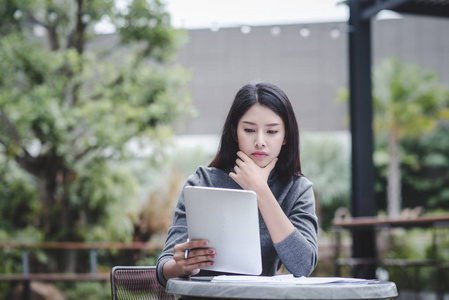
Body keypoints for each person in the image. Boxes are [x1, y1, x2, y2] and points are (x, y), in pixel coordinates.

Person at [156, 81, 318, 287]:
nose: (260, 141)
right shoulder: (202, 182)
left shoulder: (297, 189)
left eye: (272, 131)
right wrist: (183, 265)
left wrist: (260, 190)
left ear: (285, 136)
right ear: (234, 132)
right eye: (249, 130)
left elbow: (303, 266)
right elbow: (163, 271)